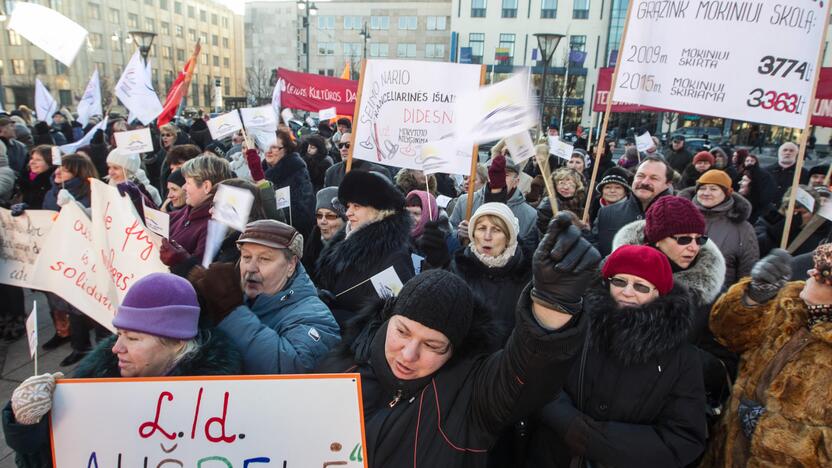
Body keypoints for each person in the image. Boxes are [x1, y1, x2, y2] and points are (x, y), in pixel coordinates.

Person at [316, 213, 598, 467]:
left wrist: (552, 304)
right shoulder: (343, 365)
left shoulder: (469, 396)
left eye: (433, 345)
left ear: (454, 349)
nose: (409, 354)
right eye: (402, 331)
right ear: (388, 317)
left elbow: (526, 374)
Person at [2, 273, 243, 468]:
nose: (116, 348)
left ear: (178, 342)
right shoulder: (94, 380)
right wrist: (29, 427)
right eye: (118, 335)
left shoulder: (218, 407)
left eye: (133, 338)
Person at [526, 244, 706, 467]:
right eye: (619, 281)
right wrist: (567, 422)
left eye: (640, 286)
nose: (627, 291)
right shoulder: (578, 324)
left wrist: (597, 440)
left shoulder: (682, 358)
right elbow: (539, 377)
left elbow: (684, 437)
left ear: (659, 293)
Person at [702, 247, 832, 467]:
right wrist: (753, 297)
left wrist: (771, 432)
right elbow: (726, 334)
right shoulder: (789, 302)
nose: (810, 273)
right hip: (725, 453)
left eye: (823, 276)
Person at [612, 196, 734, 418]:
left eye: (700, 239)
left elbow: (723, 364)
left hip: (664, 408)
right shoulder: (618, 277)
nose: (693, 247)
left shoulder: (709, 296)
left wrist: (679, 359)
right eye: (684, 239)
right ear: (657, 239)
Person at [189, 220, 340, 374]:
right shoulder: (234, 294)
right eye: (246, 257)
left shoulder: (315, 316)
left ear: (291, 265)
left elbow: (294, 367)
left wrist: (231, 312)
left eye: (264, 259)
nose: (251, 268)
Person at [315, 171, 414, 327]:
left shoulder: (394, 255)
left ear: (379, 209)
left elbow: (390, 318)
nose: (348, 212)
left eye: (357, 206)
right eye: (348, 205)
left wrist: (337, 315)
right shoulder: (345, 238)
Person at [422, 202, 530, 339]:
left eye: (496, 230)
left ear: (509, 237)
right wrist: (435, 266)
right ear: (473, 233)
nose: (487, 236)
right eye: (481, 228)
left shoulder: (528, 277)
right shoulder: (457, 268)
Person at [679, 169, 759, 286]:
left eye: (713, 189)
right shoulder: (680, 217)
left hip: (720, 296)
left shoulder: (743, 229)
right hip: (680, 293)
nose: (706, 193)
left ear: (727, 193)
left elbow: (747, 270)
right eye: (702, 188)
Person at [450, 155, 538, 256]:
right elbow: (450, 233)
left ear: (516, 182)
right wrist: (459, 235)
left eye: (505, 175)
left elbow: (528, 255)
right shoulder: (465, 202)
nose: (499, 177)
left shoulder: (530, 215)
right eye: (494, 173)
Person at [590, 155, 673, 257]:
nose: (644, 182)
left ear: (668, 184)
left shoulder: (679, 216)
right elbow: (594, 255)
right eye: (640, 176)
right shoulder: (606, 213)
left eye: (654, 178)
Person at [162, 154, 234, 267]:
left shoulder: (213, 224)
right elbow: (159, 221)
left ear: (206, 186)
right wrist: (137, 196)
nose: (184, 187)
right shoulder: (190, 208)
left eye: (188, 183)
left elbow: (202, 273)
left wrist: (181, 261)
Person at [261, 130, 315, 236]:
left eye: (274, 147)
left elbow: (301, 211)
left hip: (288, 234)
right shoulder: (263, 171)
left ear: (286, 149)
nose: (269, 151)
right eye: (267, 146)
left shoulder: (296, 171)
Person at [755, 185, 829, 257]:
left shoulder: (818, 234)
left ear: (813, 214)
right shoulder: (770, 220)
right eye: (791, 210)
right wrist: (779, 230)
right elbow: (755, 247)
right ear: (784, 208)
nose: (796, 216)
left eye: (802, 213)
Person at [302, 186, 346, 276]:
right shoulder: (313, 243)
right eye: (319, 215)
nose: (323, 221)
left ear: (344, 219)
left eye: (330, 216)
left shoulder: (351, 250)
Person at [323, 133, 391, 187]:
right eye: (340, 145)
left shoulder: (379, 173)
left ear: (360, 146)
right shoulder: (331, 172)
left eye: (348, 145)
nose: (343, 149)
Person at [14, 146, 55, 211]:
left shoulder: (54, 184)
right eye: (32, 158)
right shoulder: (24, 179)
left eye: (38, 160)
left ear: (50, 163)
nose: (32, 162)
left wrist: (28, 208)